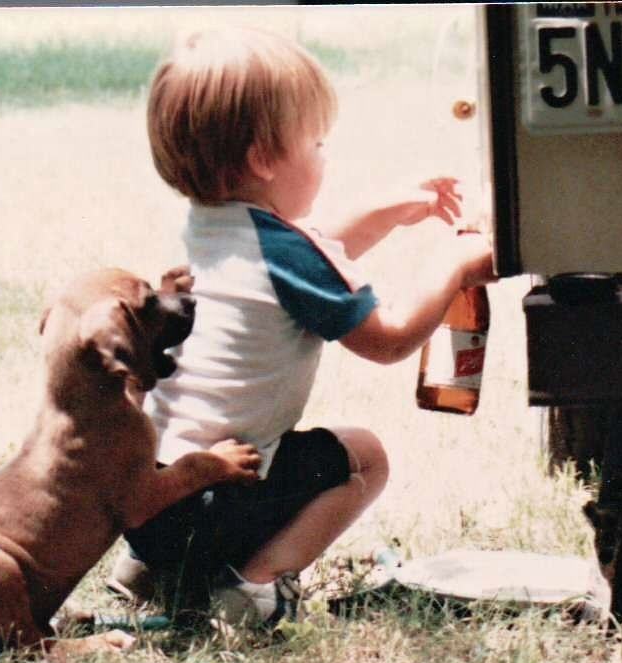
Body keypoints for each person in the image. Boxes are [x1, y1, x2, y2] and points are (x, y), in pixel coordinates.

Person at [112, 25, 496, 626]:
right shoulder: (282, 257)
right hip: (215, 499)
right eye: (317, 142)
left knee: (255, 463)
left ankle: (155, 569)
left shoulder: (212, 227)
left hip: (150, 503)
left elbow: (316, 252)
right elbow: (388, 339)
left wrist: (387, 212)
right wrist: (453, 265)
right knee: (364, 457)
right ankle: (253, 587)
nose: (324, 155)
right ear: (264, 160)